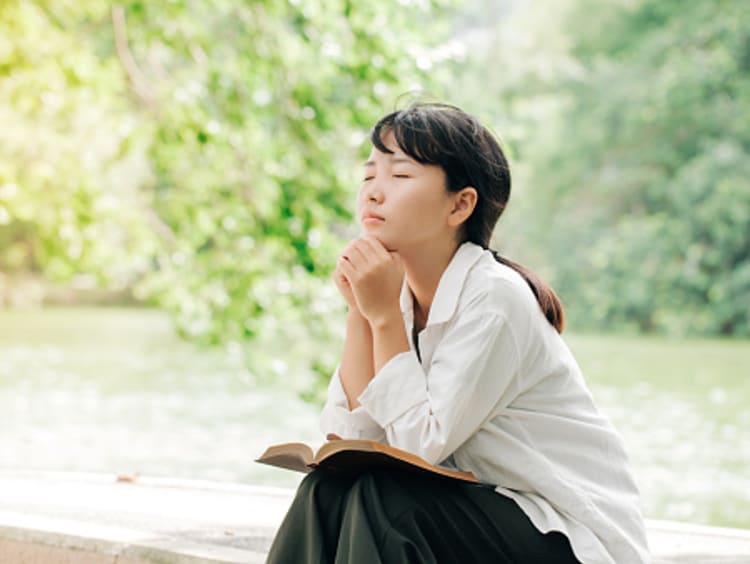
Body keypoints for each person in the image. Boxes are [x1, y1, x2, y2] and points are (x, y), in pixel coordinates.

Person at [266, 102, 649, 563]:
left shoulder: (493, 298)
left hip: (567, 536)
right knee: (325, 488)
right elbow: (348, 438)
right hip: (476, 514)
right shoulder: (397, 297)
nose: (373, 192)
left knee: (384, 499)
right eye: (369, 176)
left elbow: (415, 449)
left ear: (460, 204)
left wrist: (382, 316)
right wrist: (360, 313)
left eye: (400, 176)